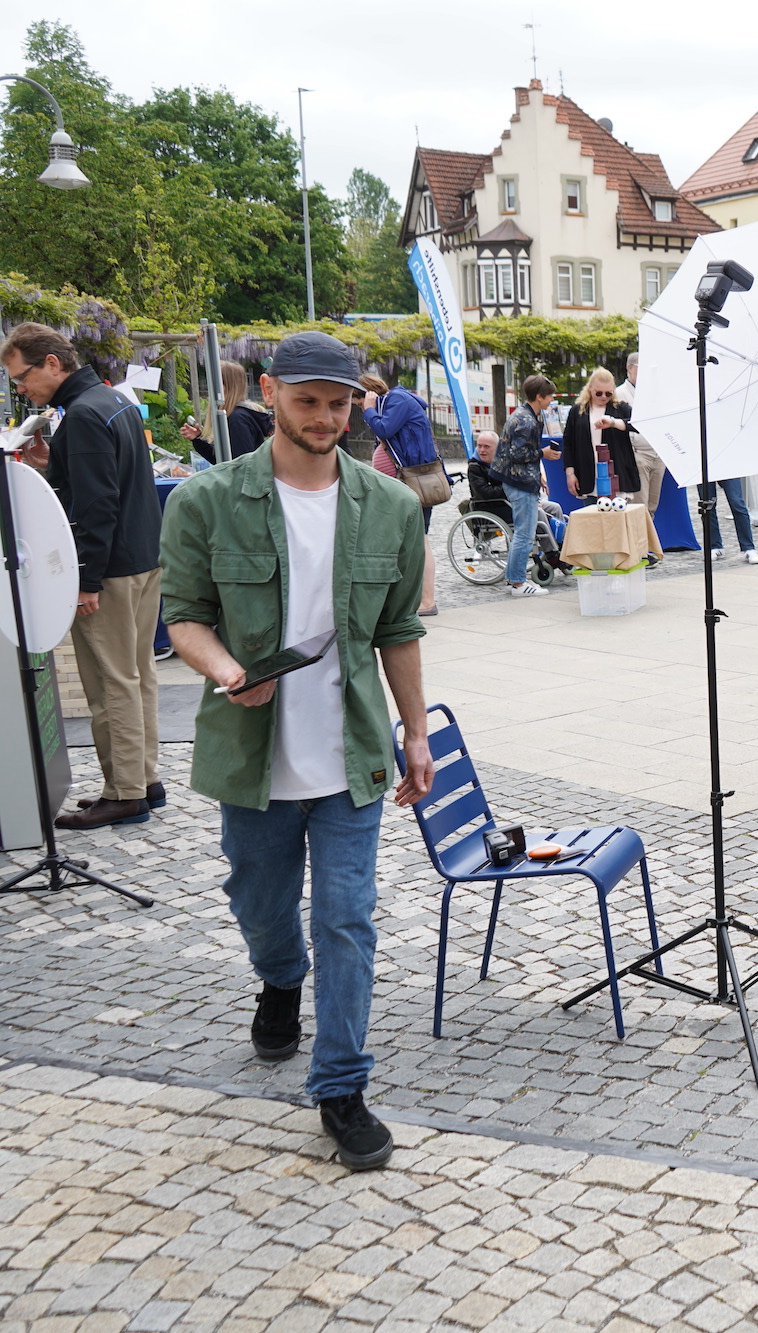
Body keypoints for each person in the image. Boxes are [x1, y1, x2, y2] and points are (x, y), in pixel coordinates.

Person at [158, 330, 433, 1171]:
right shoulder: (206, 500)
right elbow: (183, 615)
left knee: (348, 920)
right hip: (254, 756)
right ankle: (280, 979)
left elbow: (398, 628)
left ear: (357, 404)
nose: (323, 417)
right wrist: (227, 669)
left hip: (350, 753)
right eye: (307, 400)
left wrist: (416, 731)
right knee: (260, 903)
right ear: (271, 391)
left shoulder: (389, 505)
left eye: (339, 403)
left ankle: (342, 1086)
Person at [3, 322, 164, 828]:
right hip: (142, 560)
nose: (20, 389)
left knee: (110, 683)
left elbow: (98, 506)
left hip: (110, 571)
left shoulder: (83, 416)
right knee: (138, 676)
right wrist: (57, 461)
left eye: (21, 377)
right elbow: (110, 478)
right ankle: (146, 780)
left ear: (52, 363)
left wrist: (86, 581)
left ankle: (125, 792)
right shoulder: (111, 401)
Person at [358, 374, 440, 618]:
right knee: (404, 541)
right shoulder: (393, 402)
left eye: (356, 402)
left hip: (414, 479)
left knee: (420, 540)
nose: (358, 408)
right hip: (404, 480)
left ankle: (427, 600)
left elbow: (384, 428)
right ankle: (409, 597)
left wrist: (369, 410)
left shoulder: (397, 401)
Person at [492, 375, 556, 597]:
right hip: (519, 482)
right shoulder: (527, 420)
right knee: (525, 534)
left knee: (522, 532)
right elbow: (517, 453)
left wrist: (537, 474)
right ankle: (519, 583)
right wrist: (543, 454)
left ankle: (513, 579)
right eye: (549, 397)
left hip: (519, 479)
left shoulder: (524, 415)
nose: (551, 401)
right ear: (539, 397)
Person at [561, 369, 641, 505]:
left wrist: (613, 422)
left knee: (617, 520)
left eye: (608, 393)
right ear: (590, 389)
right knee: (592, 519)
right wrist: (570, 473)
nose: (604, 397)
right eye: (599, 393)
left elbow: (638, 424)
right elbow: (568, 443)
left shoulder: (619, 408)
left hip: (616, 475)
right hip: (588, 476)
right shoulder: (578, 411)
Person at [177, 359, 272, 464]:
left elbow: (242, 466)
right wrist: (197, 439)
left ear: (225, 387)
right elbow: (222, 461)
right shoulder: (236, 416)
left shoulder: (237, 420)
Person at [613, 352, 670, 515]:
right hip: (638, 454)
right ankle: (639, 540)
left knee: (652, 506)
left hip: (657, 453)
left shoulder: (653, 391)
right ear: (629, 368)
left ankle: (646, 539)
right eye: (640, 367)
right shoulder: (620, 393)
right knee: (639, 506)